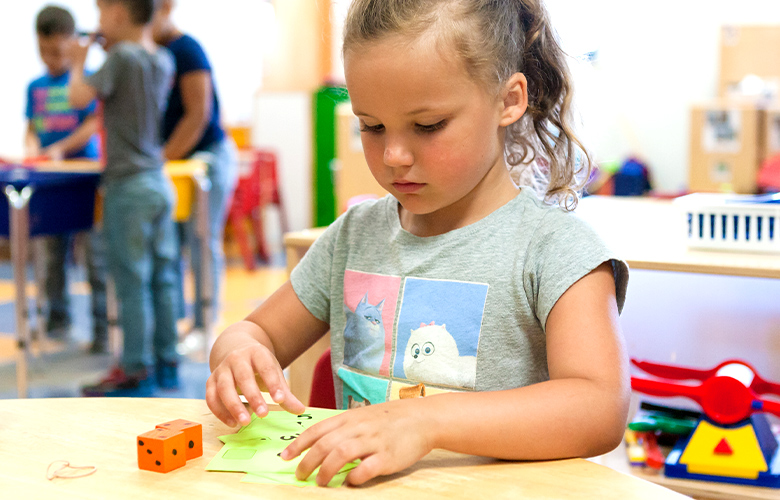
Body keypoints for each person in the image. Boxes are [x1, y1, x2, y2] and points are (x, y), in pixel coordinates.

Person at [207, 0, 630, 487]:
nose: (393, 155)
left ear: (508, 100)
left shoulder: (557, 249)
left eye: (427, 126)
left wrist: (424, 421)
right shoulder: (352, 235)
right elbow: (256, 334)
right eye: (371, 125)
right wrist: (236, 355)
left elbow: (600, 407)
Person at [69, 0, 180, 396]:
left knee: (130, 281)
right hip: (157, 181)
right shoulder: (161, 58)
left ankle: (135, 369)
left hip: (127, 187)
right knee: (162, 278)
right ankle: (167, 362)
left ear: (117, 12)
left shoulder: (121, 57)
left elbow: (79, 97)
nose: (98, 21)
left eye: (101, 13)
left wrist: (79, 61)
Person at [151, 0, 238, 341]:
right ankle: (172, 325)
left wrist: (162, 159)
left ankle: (204, 324)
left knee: (202, 239)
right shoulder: (149, 52)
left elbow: (198, 114)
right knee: (168, 243)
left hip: (207, 158)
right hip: (174, 163)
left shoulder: (186, 50)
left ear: (166, 8)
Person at [25, 4, 108, 353]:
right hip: (50, 182)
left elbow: (94, 122)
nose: (51, 58)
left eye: (58, 51)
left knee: (95, 257)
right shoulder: (35, 85)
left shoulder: (86, 81)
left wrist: (60, 148)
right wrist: (33, 150)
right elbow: (32, 127)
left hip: (85, 179)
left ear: (72, 43)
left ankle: (102, 326)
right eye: (44, 51)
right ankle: (57, 321)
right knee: (51, 254)